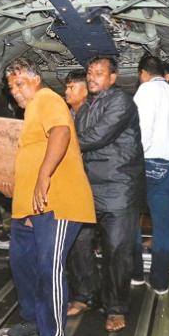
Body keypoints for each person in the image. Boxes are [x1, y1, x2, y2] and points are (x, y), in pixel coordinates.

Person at [0, 58, 95, 336]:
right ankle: (33, 320)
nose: (15, 91)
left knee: (48, 267)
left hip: (60, 201)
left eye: (20, 83)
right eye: (11, 87)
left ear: (36, 79)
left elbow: (61, 132)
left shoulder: (46, 99)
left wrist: (44, 175)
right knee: (22, 264)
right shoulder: (30, 113)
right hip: (33, 207)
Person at [75, 56, 145, 333]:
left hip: (118, 188)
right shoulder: (84, 108)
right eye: (89, 72)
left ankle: (116, 307)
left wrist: (56, 139)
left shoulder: (121, 102)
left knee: (117, 250)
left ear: (113, 77)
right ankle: (85, 295)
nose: (92, 77)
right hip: (89, 188)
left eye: (99, 73)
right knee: (78, 242)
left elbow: (96, 137)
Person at [131, 55, 169, 294]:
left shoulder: (144, 91)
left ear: (143, 73)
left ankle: (135, 274)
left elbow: (142, 131)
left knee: (130, 220)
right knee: (163, 227)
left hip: (147, 163)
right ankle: (161, 282)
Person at [62, 69, 99, 317]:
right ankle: (80, 291)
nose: (66, 91)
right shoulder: (71, 114)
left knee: (82, 244)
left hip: (87, 188)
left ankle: (86, 296)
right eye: (66, 87)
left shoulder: (89, 116)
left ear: (85, 90)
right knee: (73, 244)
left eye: (71, 87)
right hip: (71, 188)